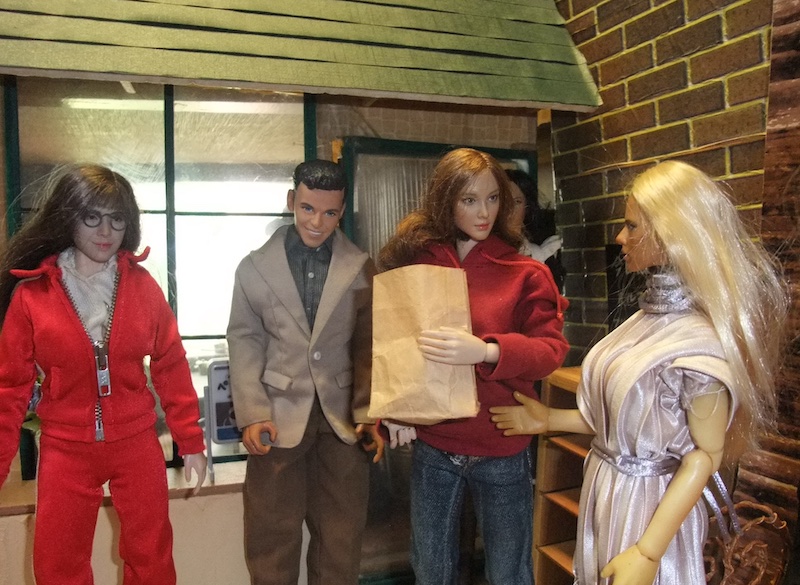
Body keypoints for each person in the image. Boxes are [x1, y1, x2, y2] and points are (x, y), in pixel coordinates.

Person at [491, 160, 788, 585]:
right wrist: (549, 419)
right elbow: (632, 423)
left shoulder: (698, 343)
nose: (620, 237)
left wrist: (649, 551)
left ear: (670, 237)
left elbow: (705, 456)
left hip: (648, 504)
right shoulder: (644, 321)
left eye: (631, 226)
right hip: (609, 488)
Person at [0, 164, 207, 585]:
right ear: (67, 217)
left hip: (136, 440)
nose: (106, 231)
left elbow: (170, 362)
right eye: (91, 217)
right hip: (65, 446)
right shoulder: (33, 295)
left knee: (151, 556)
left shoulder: (142, 287)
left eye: (117, 219)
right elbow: (10, 386)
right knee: (57, 562)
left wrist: (191, 440)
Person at [378, 148, 569, 585]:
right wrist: (394, 409)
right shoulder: (419, 263)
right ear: (445, 200)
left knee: (508, 571)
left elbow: (550, 351)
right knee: (431, 569)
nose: (484, 212)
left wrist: (487, 351)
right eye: (469, 200)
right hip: (435, 440)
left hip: (501, 438)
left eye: (492, 198)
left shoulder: (524, 272)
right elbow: (393, 342)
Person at [226, 159, 384, 585]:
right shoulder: (255, 267)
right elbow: (244, 339)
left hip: (341, 420)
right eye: (308, 208)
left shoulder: (360, 266)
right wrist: (253, 412)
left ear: (342, 210)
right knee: (271, 535)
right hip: (277, 417)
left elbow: (368, 344)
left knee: (341, 538)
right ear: (291, 200)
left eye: (330, 213)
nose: (317, 222)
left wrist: (368, 413)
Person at [506, 168, 565, 292]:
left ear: (527, 207)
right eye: (503, 200)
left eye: (517, 201)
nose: (508, 208)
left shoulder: (546, 249)